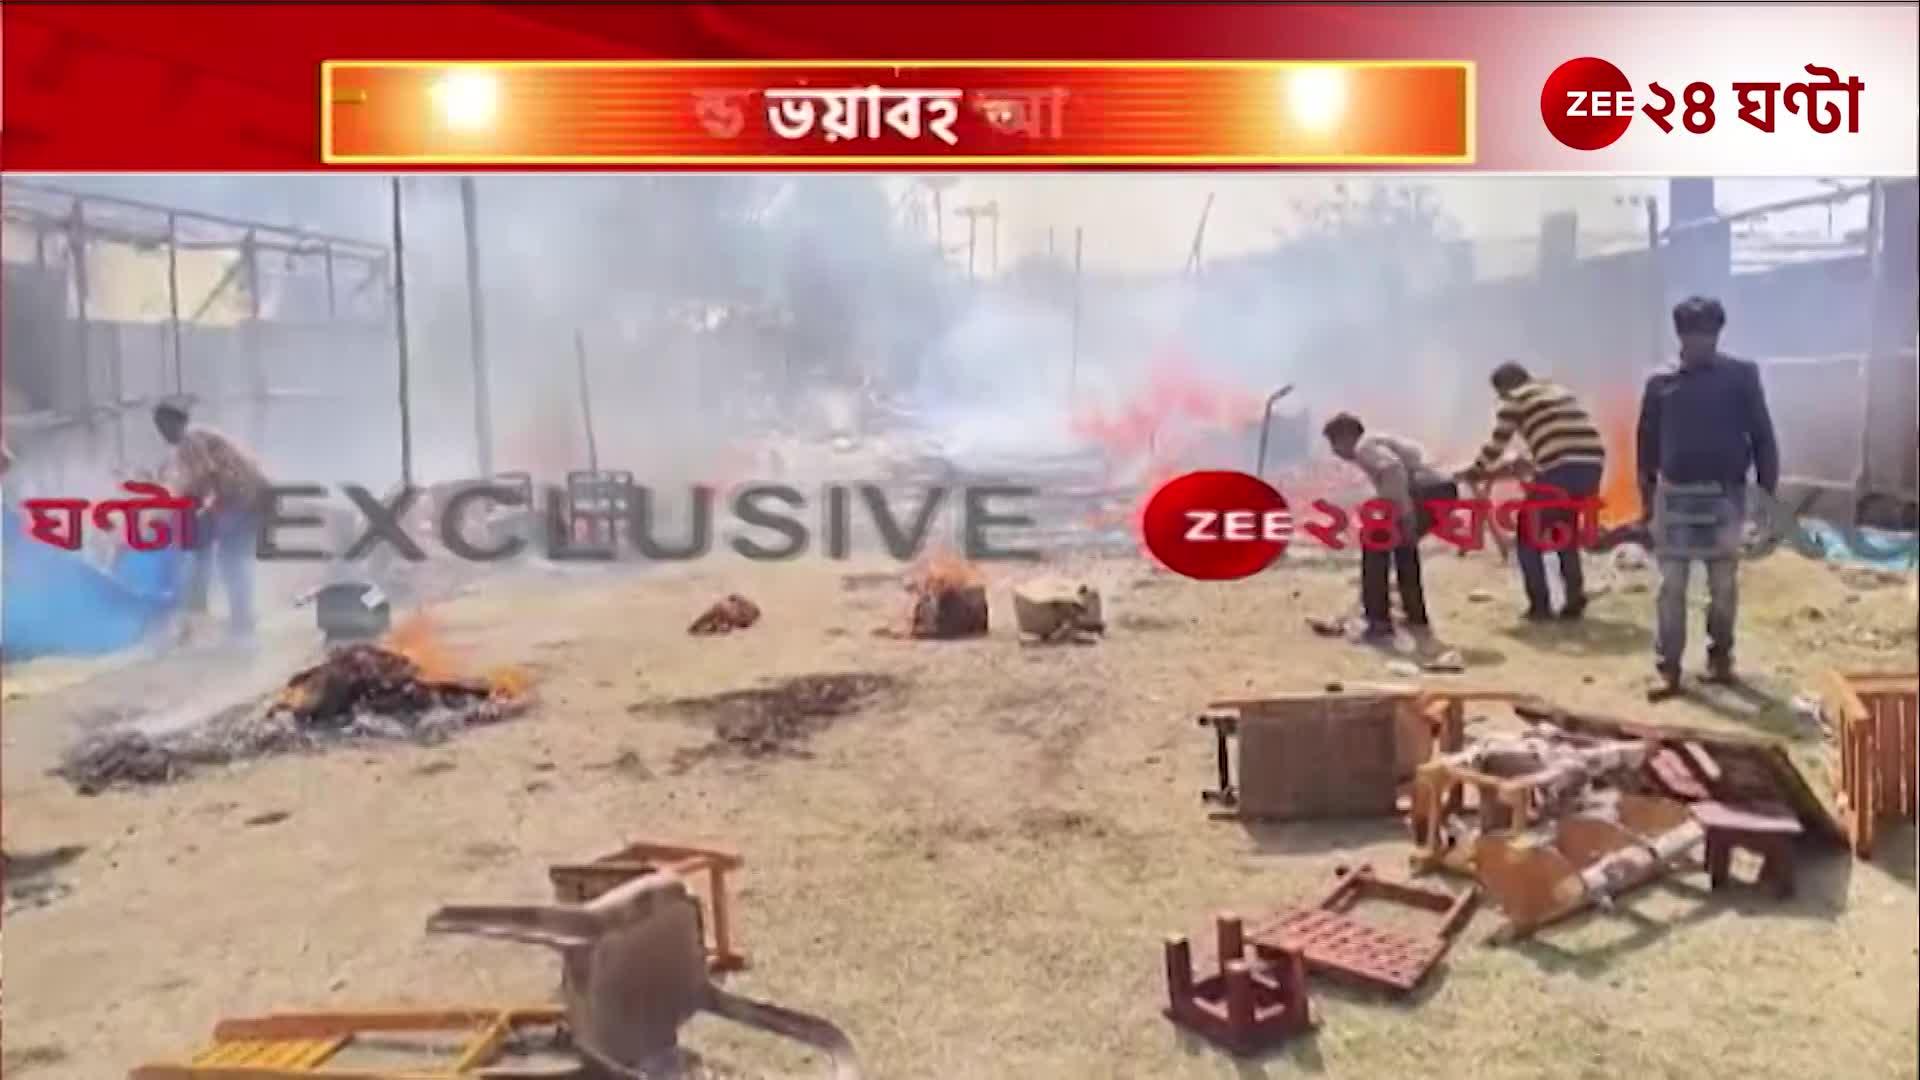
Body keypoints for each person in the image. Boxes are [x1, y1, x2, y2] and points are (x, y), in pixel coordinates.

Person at [1636, 297, 1779, 700]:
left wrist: (1765, 496)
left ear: (1718, 334)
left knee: (1723, 585)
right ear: (1680, 335)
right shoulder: (1660, 383)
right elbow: (1645, 445)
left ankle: (1720, 660)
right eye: (1695, 335)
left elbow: (1763, 437)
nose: (1703, 342)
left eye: (1710, 334)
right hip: (1675, 497)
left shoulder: (1741, 376)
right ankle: (1668, 669)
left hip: (1725, 495)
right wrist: (1646, 501)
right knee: (1671, 586)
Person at [1459, 362, 1607, 622]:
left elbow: (1497, 444)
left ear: (1504, 387)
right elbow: (1557, 436)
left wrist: (1475, 470)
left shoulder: (1515, 400)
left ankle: (1540, 607)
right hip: (1592, 463)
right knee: (1564, 532)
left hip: (1561, 467)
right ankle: (1574, 599)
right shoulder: (1558, 391)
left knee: (1527, 537)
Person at [1322, 412, 1460, 641]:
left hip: (1426, 491)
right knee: (1404, 546)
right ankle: (1415, 615)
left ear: (1347, 437)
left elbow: (1392, 470)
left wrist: (1405, 514)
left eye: (1334, 443)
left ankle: (1378, 621)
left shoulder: (1364, 446)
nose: (1334, 451)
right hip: (1441, 490)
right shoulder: (1378, 440)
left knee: (1375, 542)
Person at [154, 401, 270, 642]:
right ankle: (239, 621)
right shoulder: (197, 438)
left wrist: (179, 508)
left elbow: (202, 478)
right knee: (227, 558)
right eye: (158, 426)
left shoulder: (190, 439)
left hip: (247, 497)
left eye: (164, 424)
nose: (162, 432)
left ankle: (240, 624)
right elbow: (199, 484)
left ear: (177, 422)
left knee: (230, 559)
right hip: (252, 496)